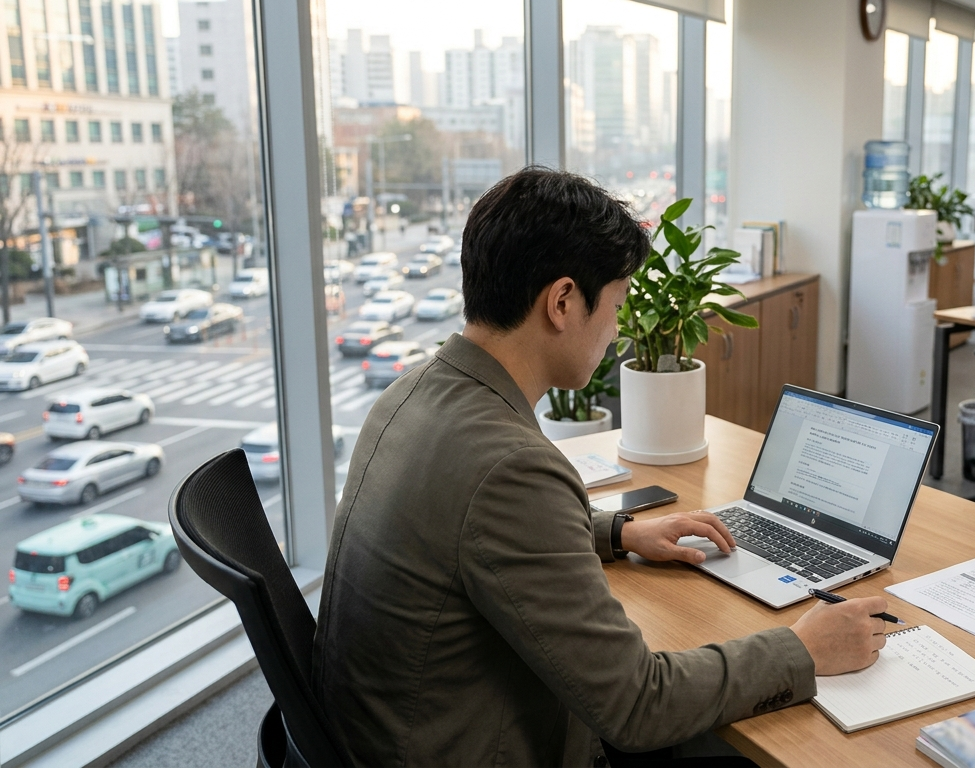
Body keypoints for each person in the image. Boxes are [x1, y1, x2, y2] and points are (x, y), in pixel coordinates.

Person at [312, 167, 889, 767]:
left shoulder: (412, 394)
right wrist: (801, 649)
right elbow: (638, 706)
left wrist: (619, 532)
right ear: (562, 301)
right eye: (615, 306)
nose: (616, 334)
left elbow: (462, 523)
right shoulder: (511, 466)